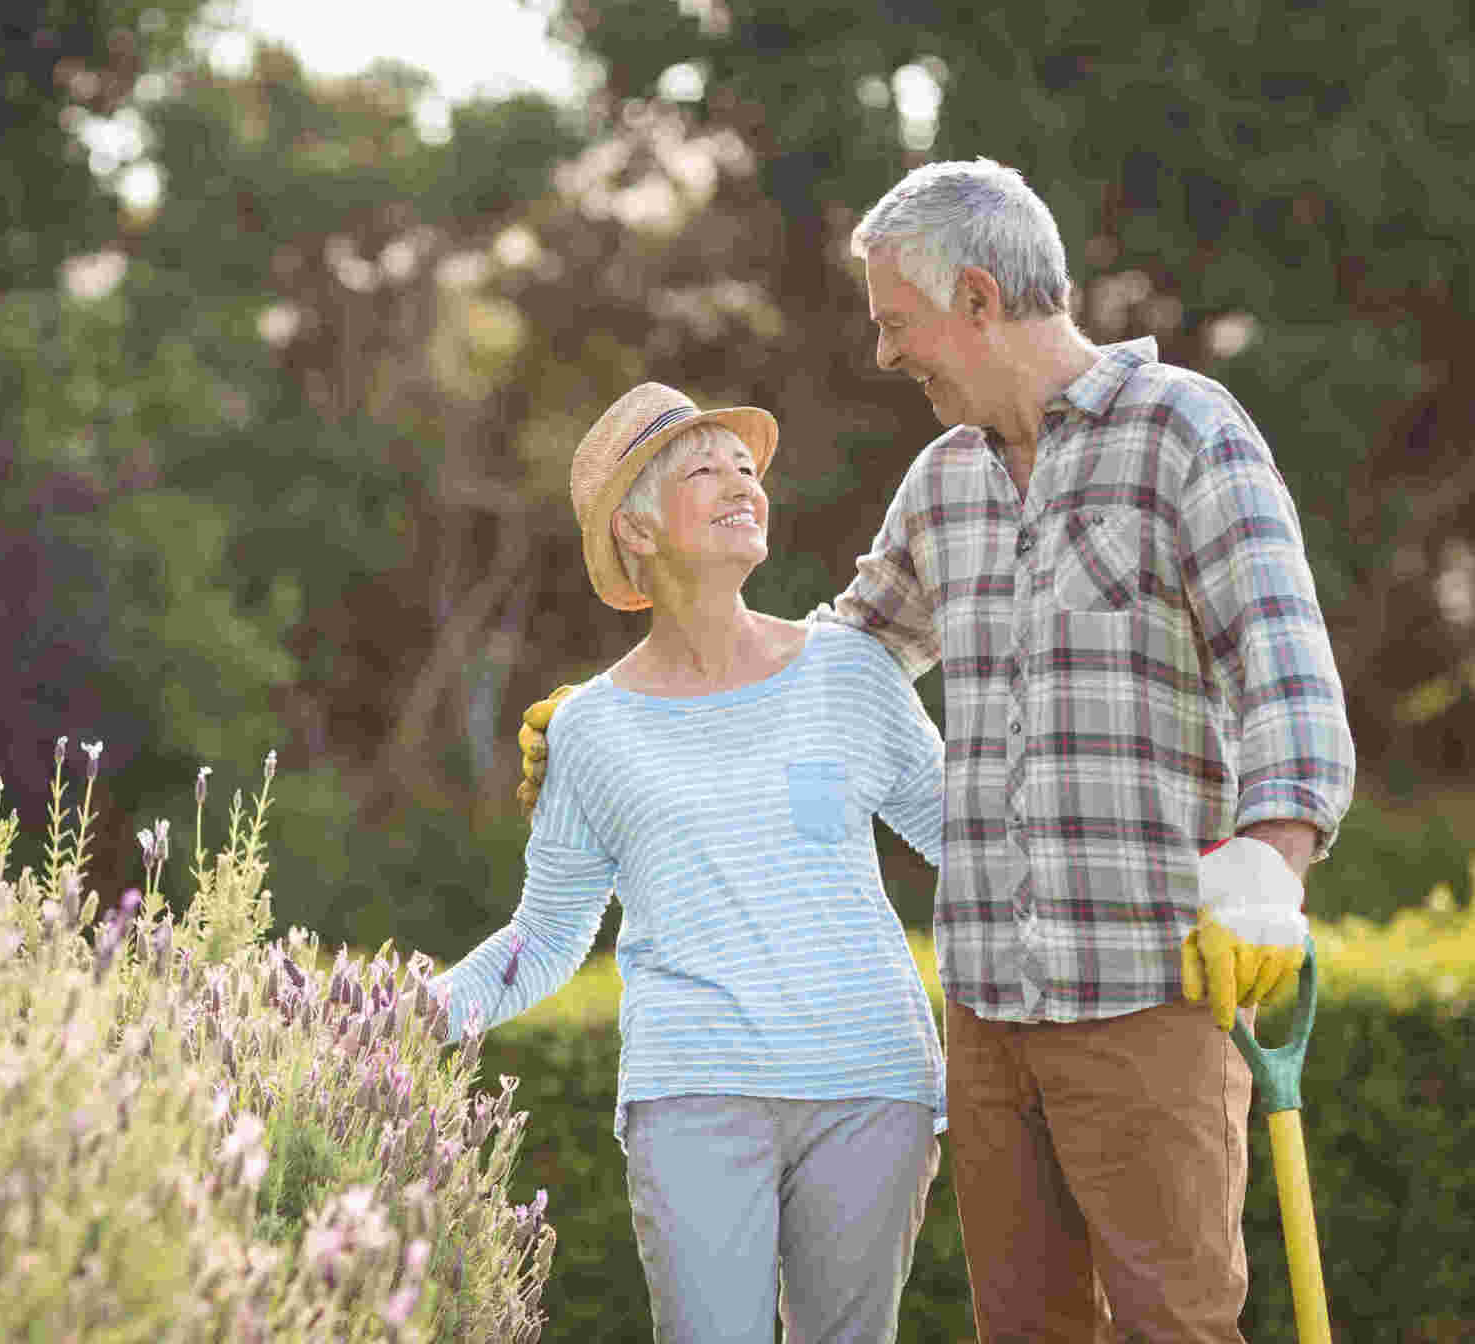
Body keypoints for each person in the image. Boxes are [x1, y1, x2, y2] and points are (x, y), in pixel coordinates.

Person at [519, 159, 1356, 1342]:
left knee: (1175, 1324)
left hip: (1144, 993)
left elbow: (1288, 677)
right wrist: (635, 705)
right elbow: (832, 655)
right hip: (990, 1015)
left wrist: (1273, 863)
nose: (883, 354)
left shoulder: (1186, 434)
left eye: (894, 322)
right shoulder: (945, 483)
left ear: (975, 299)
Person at [434, 381, 949, 1344]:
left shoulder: (850, 670)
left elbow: (974, 840)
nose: (741, 484)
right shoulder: (589, 728)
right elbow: (546, 936)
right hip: (694, 1091)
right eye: (703, 470)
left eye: (748, 469)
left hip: (871, 1084)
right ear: (636, 531)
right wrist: (411, 1017)